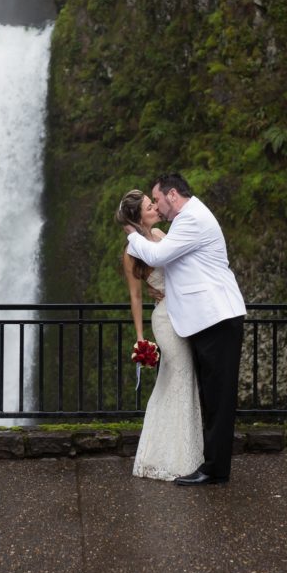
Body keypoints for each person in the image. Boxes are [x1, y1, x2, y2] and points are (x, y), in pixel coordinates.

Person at [123, 173, 246, 486]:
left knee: (218, 397)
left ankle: (214, 469)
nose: (159, 208)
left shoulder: (191, 219)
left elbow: (159, 256)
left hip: (216, 317)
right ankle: (210, 464)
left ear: (172, 194)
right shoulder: (186, 219)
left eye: (159, 200)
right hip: (204, 319)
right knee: (212, 395)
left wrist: (131, 234)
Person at [115, 189, 204, 481]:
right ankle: (175, 458)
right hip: (165, 318)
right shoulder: (132, 252)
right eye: (148, 206)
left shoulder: (160, 235)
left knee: (177, 380)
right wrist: (141, 337)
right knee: (178, 375)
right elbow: (136, 297)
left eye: (153, 203)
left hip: (182, 312)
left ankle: (175, 451)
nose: (155, 207)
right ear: (137, 216)